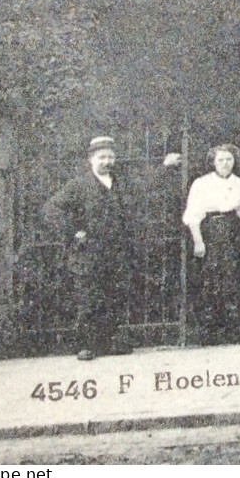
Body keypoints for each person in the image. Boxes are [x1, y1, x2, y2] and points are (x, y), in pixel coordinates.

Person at [42, 136, 182, 361]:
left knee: (113, 296)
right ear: (90, 160)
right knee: (89, 299)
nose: (107, 161)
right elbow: (51, 209)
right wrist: (73, 231)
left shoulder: (121, 182)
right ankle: (87, 345)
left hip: (115, 251)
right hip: (87, 253)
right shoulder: (78, 185)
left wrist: (164, 167)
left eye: (110, 157)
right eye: (101, 157)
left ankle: (108, 343)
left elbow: (144, 185)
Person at [182, 143, 240, 344]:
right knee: (212, 276)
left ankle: (233, 327)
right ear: (213, 162)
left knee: (235, 274)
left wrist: (238, 212)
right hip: (211, 230)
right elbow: (193, 215)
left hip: (235, 231)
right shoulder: (201, 183)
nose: (225, 164)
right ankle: (210, 329)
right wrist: (198, 241)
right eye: (221, 160)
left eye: (229, 159)